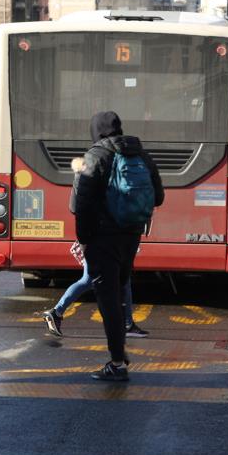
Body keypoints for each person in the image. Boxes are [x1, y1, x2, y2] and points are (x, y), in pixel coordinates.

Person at [61, 111, 163, 382]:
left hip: (102, 238)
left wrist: (84, 239)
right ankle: (119, 354)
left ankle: (117, 363)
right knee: (118, 292)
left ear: (96, 131)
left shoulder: (95, 155)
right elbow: (159, 197)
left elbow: (78, 204)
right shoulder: (140, 153)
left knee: (108, 301)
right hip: (131, 236)